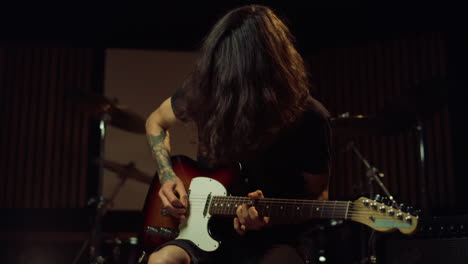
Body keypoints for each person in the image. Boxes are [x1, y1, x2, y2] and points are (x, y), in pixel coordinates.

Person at [145, 5, 331, 264]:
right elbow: (156, 121)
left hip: (275, 239)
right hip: (203, 231)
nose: (224, 84)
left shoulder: (310, 117)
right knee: (161, 261)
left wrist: (267, 216)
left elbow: (318, 196)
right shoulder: (208, 90)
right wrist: (167, 176)